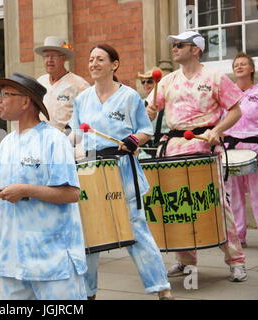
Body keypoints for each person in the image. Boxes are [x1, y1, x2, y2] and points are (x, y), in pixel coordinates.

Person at [69, 44, 173, 300]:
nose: (93, 64)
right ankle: (87, 292)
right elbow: (75, 135)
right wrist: (58, 144)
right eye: (91, 59)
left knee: (136, 229)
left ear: (114, 64)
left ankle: (161, 287)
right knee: (90, 231)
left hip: (123, 169)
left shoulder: (129, 97)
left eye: (100, 59)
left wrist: (134, 140)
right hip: (92, 170)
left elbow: (145, 129)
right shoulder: (82, 99)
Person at [0, 72, 88, 300]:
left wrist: (25, 190)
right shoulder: (5, 144)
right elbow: (11, 192)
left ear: (26, 102)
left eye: (6, 94)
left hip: (52, 260)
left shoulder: (53, 140)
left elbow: (72, 193)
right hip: (13, 259)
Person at [146, 31, 248, 282]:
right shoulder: (167, 81)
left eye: (180, 45)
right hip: (173, 149)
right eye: (174, 45)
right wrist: (146, 113)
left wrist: (217, 131)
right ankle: (185, 260)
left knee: (217, 204)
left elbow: (236, 110)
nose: (174, 49)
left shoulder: (214, 77)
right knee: (179, 206)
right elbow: (149, 111)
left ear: (195, 49)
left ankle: (236, 261)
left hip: (204, 148)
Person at [224, 52, 258, 253]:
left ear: (251, 69)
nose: (239, 67)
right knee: (234, 195)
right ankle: (238, 236)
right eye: (236, 65)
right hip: (231, 150)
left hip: (254, 148)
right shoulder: (229, 94)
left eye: (243, 64)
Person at [34, 36, 90, 132]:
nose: (49, 60)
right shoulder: (39, 82)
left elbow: (88, 118)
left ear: (63, 58)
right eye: (46, 56)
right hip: (40, 139)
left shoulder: (80, 85)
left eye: (54, 56)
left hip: (67, 141)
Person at [137, 68, 169, 159]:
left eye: (150, 81)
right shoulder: (139, 105)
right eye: (143, 82)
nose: (146, 84)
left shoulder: (168, 104)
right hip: (144, 153)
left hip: (164, 151)